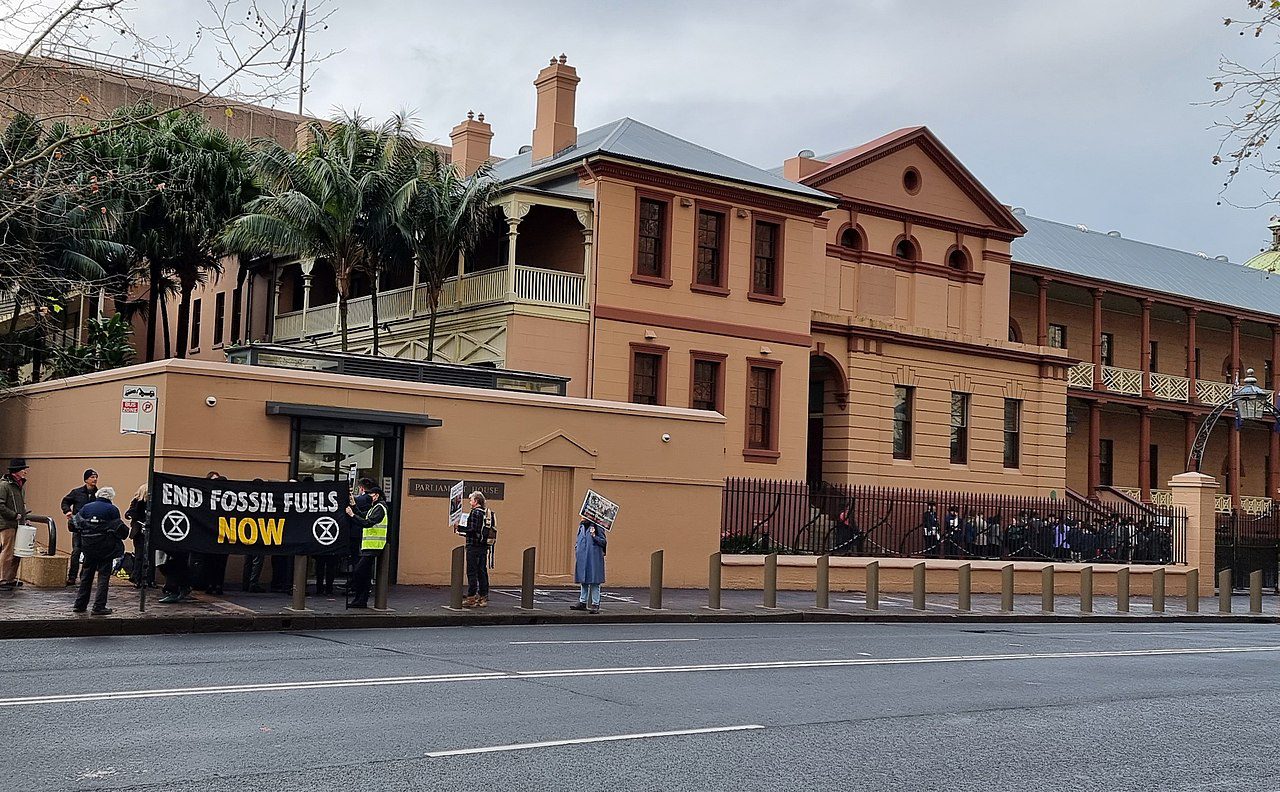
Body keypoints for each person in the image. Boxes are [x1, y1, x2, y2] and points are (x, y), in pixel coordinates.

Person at [71, 486, 128, 615]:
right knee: (103, 577)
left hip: (89, 548)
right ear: (111, 497)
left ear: (98, 495)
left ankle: (79, 605)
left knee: (86, 576)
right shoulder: (112, 509)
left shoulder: (87, 507)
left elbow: (73, 524)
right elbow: (120, 529)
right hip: (106, 549)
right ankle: (99, 606)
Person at [344, 484, 388, 609]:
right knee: (364, 573)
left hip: (374, 546)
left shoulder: (380, 508)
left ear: (376, 495)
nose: (368, 497)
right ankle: (360, 600)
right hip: (368, 546)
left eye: (370, 495)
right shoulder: (374, 507)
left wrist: (352, 515)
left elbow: (367, 523)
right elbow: (362, 515)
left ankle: (361, 599)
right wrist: (353, 505)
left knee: (359, 571)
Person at [60, 468, 98, 586]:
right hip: (78, 527)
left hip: (92, 527)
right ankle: (72, 576)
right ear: (86, 479)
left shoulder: (98, 494)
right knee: (76, 551)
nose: (95, 479)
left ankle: (84, 577)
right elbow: (65, 501)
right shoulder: (77, 492)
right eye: (92, 477)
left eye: (96, 477)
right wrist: (67, 512)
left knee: (89, 553)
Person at [0, 458, 31, 591]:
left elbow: (21, 505)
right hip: (7, 523)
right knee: (7, 550)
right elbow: (0, 505)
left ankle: (11, 577)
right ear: (16, 471)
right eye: (23, 469)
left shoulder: (20, 485)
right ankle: (2, 578)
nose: (25, 471)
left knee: (17, 551)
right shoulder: (4, 485)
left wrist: (24, 518)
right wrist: (13, 515)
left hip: (18, 523)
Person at [459, 491, 490, 608]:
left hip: (473, 546)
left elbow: (472, 530)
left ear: (476, 501)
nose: (470, 502)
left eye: (471, 500)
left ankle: (471, 597)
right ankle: (483, 596)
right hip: (483, 546)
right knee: (482, 571)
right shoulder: (484, 513)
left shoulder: (475, 513)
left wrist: (460, 528)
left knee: (472, 572)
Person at [570, 519, 607, 613]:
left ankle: (595, 603)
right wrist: (577, 547)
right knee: (583, 580)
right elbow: (578, 538)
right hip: (582, 555)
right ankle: (582, 602)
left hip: (593, 556)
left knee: (595, 581)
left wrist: (594, 536)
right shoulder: (581, 526)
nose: (581, 518)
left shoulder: (597, 526)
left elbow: (603, 542)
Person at [241, 477, 267, 592]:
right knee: (257, 559)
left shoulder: (246, 497)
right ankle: (253, 583)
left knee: (248, 559)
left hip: (246, 531)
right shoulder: (264, 499)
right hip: (260, 531)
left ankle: (246, 583)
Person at [124, 483, 150, 588]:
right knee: (139, 555)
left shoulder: (153, 503)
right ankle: (138, 578)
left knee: (148, 557)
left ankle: (148, 579)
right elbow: (129, 513)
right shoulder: (136, 502)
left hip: (147, 532)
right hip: (139, 532)